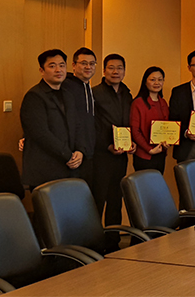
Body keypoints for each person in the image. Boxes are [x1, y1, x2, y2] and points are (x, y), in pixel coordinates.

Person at [20, 49, 86, 187]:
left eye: (62, 65)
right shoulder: (34, 96)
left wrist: (80, 151)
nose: (58, 70)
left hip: (69, 168)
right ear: (42, 70)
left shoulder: (68, 95)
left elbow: (77, 125)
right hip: (45, 169)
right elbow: (40, 134)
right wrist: (67, 155)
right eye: (52, 66)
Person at [91, 53, 134, 232]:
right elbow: (92, 126)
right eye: (111, 68)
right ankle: (93, 241)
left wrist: (131, 142)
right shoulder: (94, 93)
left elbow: (130, 123)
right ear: (103, 71)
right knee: (97, 199)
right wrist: (107, 145)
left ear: (124, 71)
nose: (115, 72)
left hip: (120, 156)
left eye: (119, 68)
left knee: (116, 199)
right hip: (101, 155)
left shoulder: (127, 94)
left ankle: (113, 241)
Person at [66, 47, 97, 182]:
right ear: (74, 65)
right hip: (73, 154)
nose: (88, 67)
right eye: (84, 63)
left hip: (89, 152)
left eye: (92, 63)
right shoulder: (66, 87)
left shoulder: (89, 87)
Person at [131, 66, 170, 173]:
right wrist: (149, 149)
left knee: (158, 182)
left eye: (160, 79)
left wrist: (168, 142)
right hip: (144, 155)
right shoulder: (138, 103)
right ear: (145, 82)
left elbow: (167, 128)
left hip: (161, 153)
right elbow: (135, 131)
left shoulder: (163, 102)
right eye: (152, 80)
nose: (157, 83)